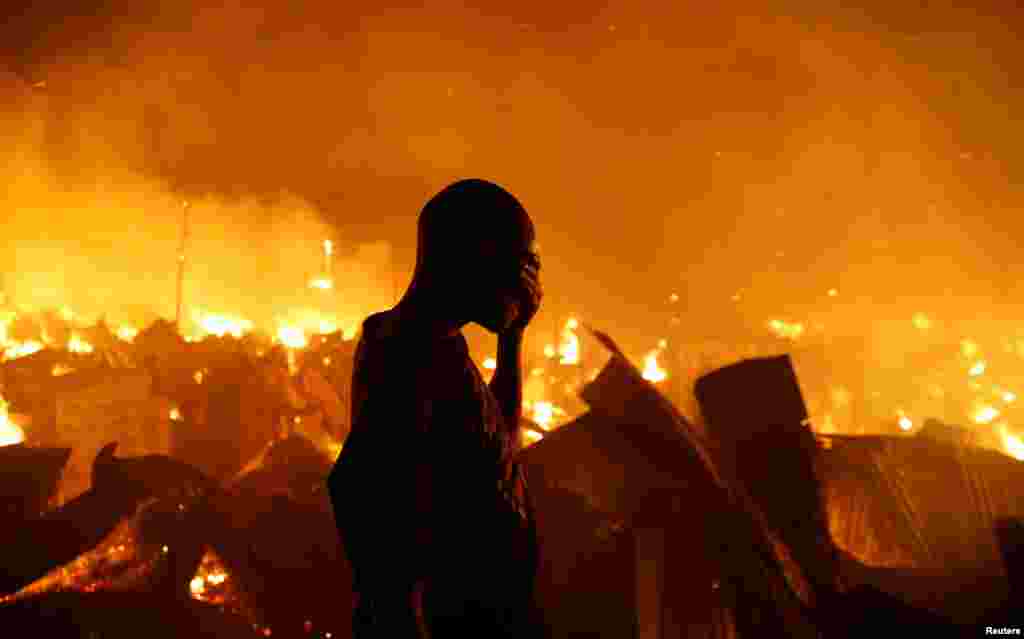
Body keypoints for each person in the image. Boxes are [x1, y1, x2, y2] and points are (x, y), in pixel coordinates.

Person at [327, 178, 545, 637]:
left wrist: (512, 338)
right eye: (522, 261)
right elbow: (364, 502)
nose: (530, 282)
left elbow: (500, 444)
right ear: (480, 256)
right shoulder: (407, 356)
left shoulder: (440, 349)